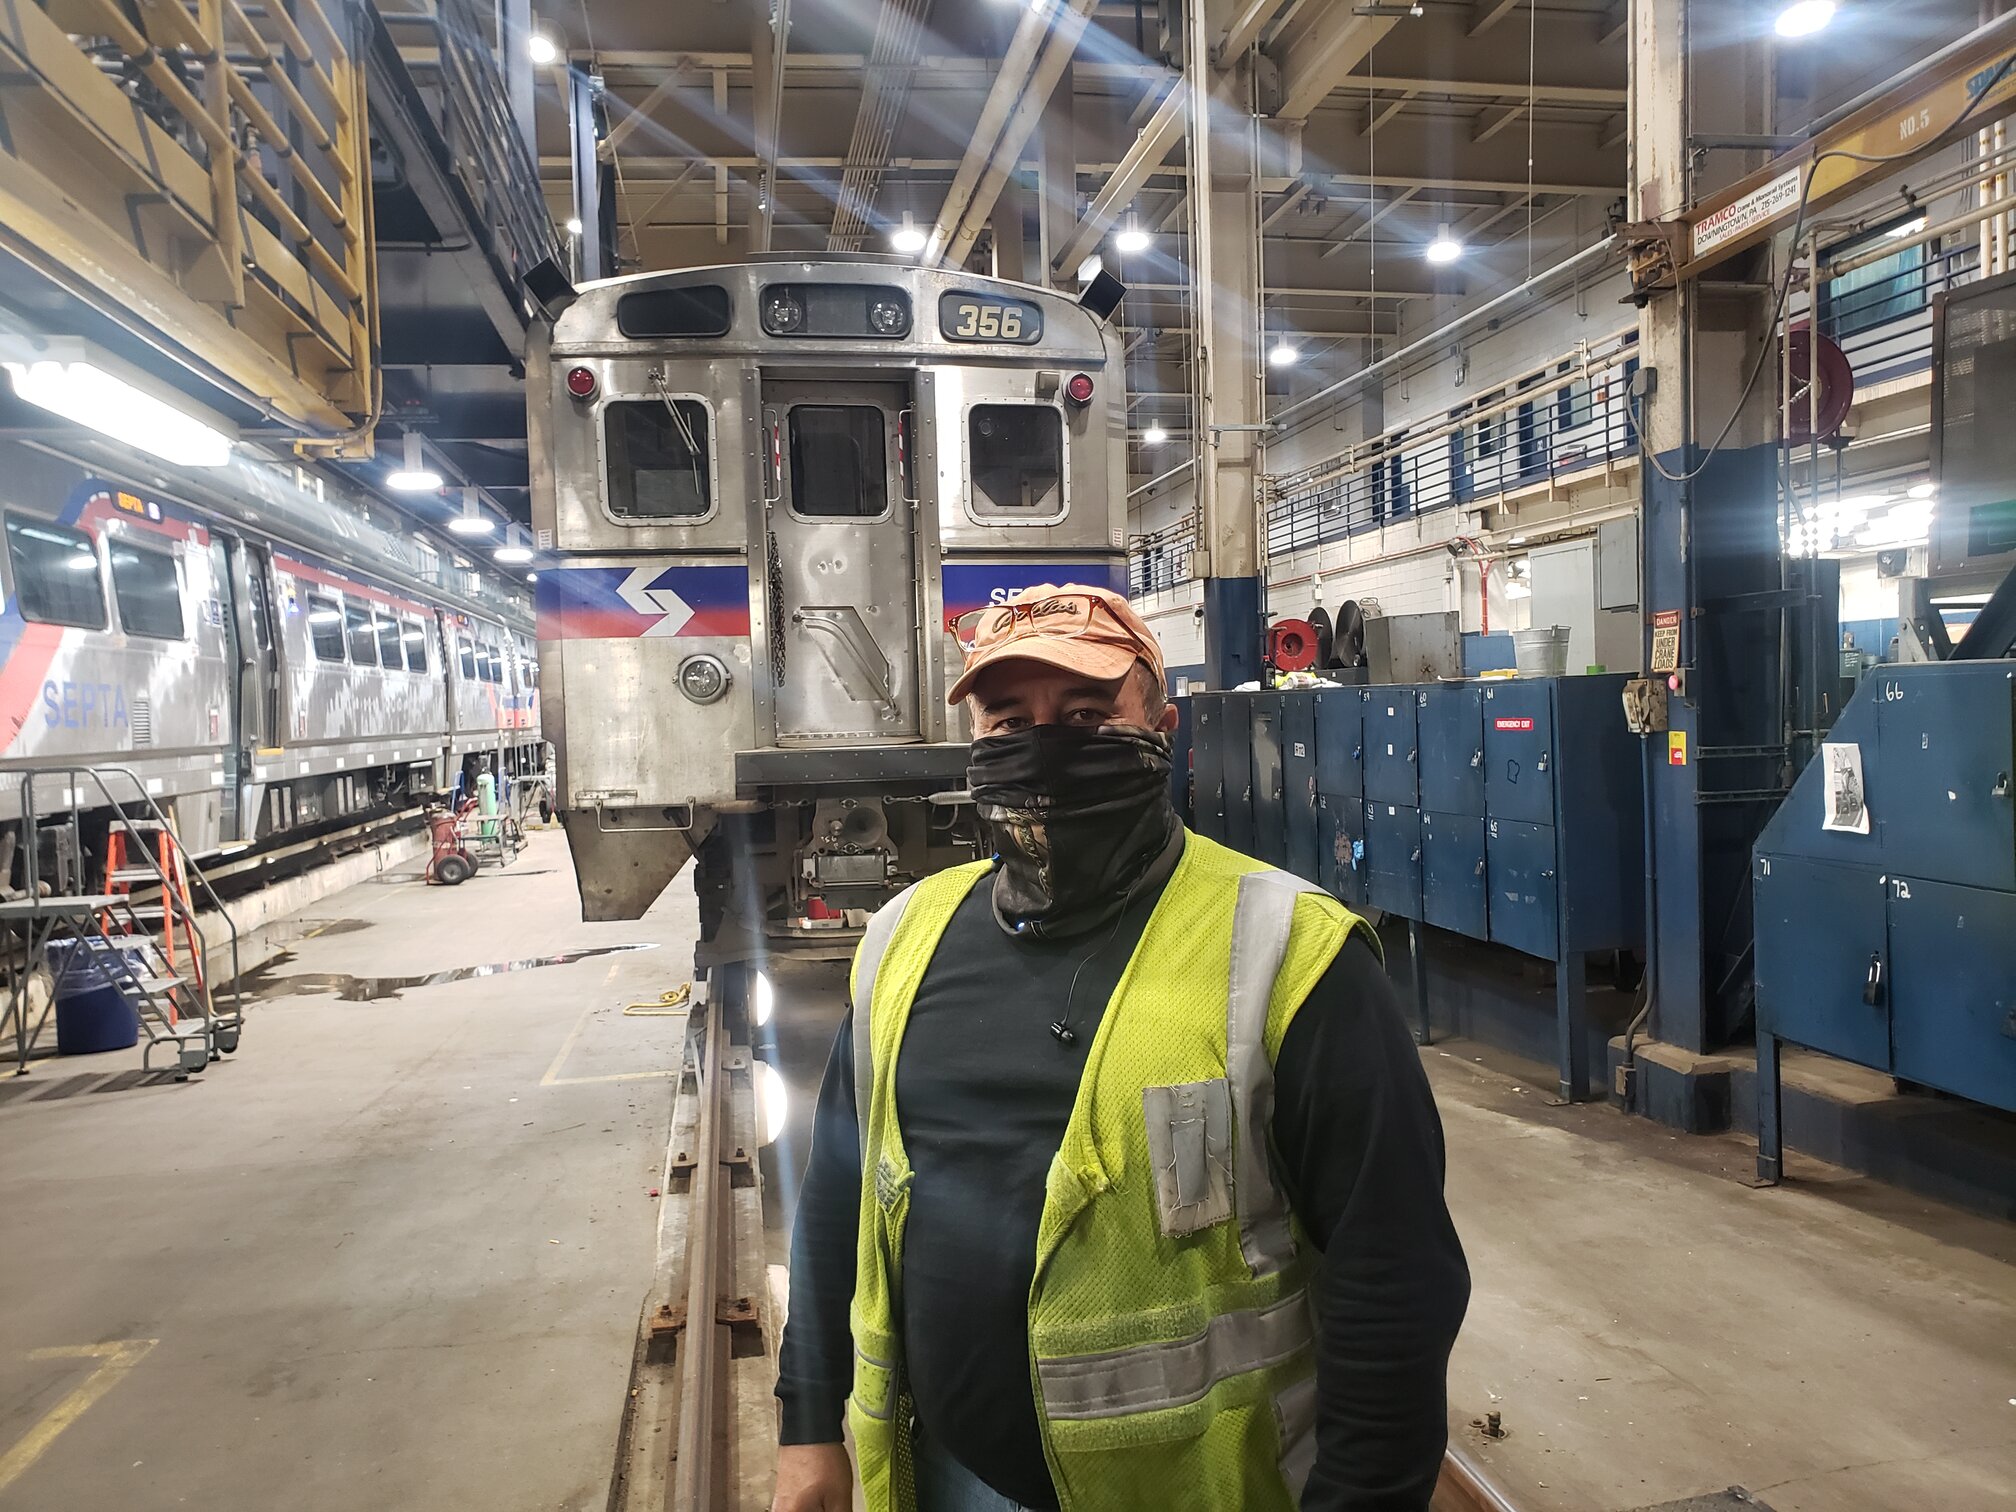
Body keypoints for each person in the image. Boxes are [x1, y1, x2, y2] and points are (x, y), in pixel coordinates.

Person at [772, 584, 1469, 1512]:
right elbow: (838, 1201)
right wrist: (808, 1425)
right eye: (1007, 717)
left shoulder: (1289, 954)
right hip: (943, 1476)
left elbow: (1394, 1283)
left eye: (1088, 713)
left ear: (1163, 728)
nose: (1043, 744)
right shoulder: (905, 937)